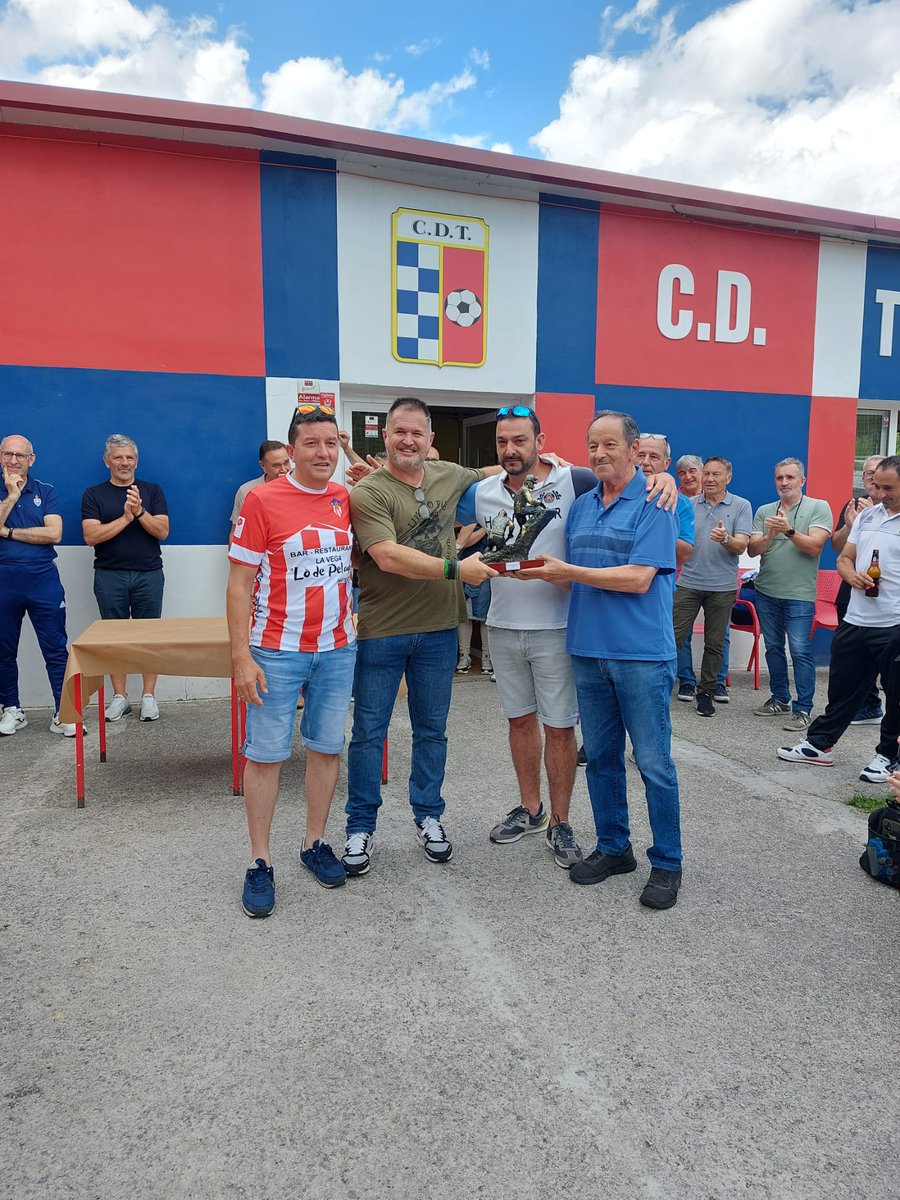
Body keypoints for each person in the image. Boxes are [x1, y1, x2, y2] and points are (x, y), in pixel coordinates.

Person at [520, 410, 683, 909]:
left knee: (653, 764)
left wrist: (568, 570)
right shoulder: (584, 505)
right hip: (588, 651)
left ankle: (667, 863)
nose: (600, 454)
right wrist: (531, 573)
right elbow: (573, 572)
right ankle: (615, 848)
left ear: (635, 451)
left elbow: (638, 578)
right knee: (604, 761)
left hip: (640, 655)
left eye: (610, 445)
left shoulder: (655, 501)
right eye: (593, 445)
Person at [341, 397, 497, 875]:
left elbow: (496, 473)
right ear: (384, 437)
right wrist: (457, 568)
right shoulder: (368, 491)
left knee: (432, 732)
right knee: (369, 734)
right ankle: (360, 827)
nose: (408, 440)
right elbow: (386, 556)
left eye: (417, 433)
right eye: (399, 432)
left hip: (437, 632)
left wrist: (554, 463)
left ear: (431, 439)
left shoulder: (448, 475)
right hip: (381, 631)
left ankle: (428, 816)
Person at [227, 404, 356, 916]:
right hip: (275, 651)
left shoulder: (345, 499)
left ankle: (314, 843)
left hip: (337, 649)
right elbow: (238, 583)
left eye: (330, 443)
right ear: (291, 450)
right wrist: (240, 655)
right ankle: (260, 861)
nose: (322, 452)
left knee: (326, 748)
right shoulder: (261, 500)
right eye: (311, 443)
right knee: (265, 755)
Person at [458, 406, 597, 868]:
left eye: (520, 440)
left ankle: (561, 822)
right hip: (502, 623)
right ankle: (531, 809)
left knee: (559, 728)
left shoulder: (574, 479)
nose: (511, 450)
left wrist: (665, 479)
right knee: (519, 722)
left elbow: (625, 484)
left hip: (557, 628)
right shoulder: (483, 492)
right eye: (502, 442)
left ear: (540, 439)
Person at [777, 455, 900, 783]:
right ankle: (820, 745)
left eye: (888, 487)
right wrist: (853, 576)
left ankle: (889, 756)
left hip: (894, 622)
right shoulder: (868, 515)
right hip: (857, 618)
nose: (880, 492)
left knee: (896, 694)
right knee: (843, 688)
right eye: (877, 485)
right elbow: (844, 557)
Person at [81, 434, 170, 723]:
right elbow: (91, 536)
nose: (124, 463)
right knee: (114, 638)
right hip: (109, 575)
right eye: (118, 457)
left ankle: (148, 697)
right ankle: (120, 698)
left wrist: (140, 511)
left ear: (137, 461)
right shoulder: (94, 494)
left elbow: (162, 531)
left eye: (129, 457)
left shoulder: (152, 491)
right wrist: (125, 519)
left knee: (150, 637)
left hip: (149, 574)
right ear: (106, 461)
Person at [747, 458, 832, 731]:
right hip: (766, 590)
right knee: (773, 647)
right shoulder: (764, 510)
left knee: (799, 650)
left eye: (790, 478)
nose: (784, 483)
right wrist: (771, 534)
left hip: (799, 594)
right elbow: (753, 550)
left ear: (802, 481)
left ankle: (803, 708)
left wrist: (790, 530)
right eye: (779, 478)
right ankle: (779, 698)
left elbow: (815, 547)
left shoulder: (818, 507)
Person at [0, 434, 76, 737]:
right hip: (4, 579)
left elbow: (54, 533)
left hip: (43, 579)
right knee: (4, 651)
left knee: (57, 649)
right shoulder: (7, 492)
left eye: (20, 455)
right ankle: (12, 710)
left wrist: (6, 533)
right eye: (8, 454)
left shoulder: (46, 491)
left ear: (32, 459)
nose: (14, 460)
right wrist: (11, 497)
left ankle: (63, 713)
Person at [672, 457, 752, 716]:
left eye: (716, 474)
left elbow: (742, 545)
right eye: (706, 473)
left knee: (715, 643)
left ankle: (705, 692)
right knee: (672, 636)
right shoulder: (688, 504)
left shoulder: (741, 505)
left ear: (728, 477)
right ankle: (659, 687)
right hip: (688, 582)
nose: (709, 479)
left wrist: (726, 538)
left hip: (723, 585)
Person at [831, 454, 885, 724]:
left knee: (880, 655)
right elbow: (837, 547)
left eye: (877, 472)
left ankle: (875, 705)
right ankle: (868, 705)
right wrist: (852, 525)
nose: (873, 478)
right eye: (867, 473)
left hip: (885, 597)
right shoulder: (853, 505)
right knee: (853, 655)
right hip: (851, 589)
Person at [228, 440, 291, 545]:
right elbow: (236, 533)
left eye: (286, 463)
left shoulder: (302, 488)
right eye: (276, 465)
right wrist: (235, 560)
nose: (284, 469)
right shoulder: (247, 491)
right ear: (263, 466)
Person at [455, 521, 492, 675]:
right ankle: (464, 656)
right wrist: (484, 529)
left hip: (491, 565)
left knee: (487, 615)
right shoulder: (468, 514)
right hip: (465, 566)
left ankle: (487, 657)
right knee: (465, 614)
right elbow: (462, 543)